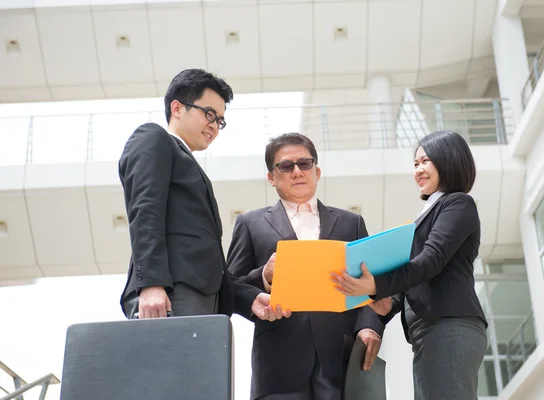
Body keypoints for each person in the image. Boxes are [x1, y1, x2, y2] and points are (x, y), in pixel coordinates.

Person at [118, 68, 289, 322]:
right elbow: (145, 210)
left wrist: (249, 297)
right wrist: (151, 283)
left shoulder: (190, 164)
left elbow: (207, 256)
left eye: (220, 120)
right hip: (169, 292)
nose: (214, 126)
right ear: (177, 108)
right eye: (209, 114)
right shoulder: (154, 138)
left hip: (206, 300)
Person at [227, 133, 385, 400]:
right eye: (286, 166)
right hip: (278, 364)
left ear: (317, 171)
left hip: (341, 359)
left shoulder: (351, 223)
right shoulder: (250, 224)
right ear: (271, 177)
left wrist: (370, 327)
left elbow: (370, 284)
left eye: (305, 163)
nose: (297, 172)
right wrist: (264, 276)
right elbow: (232, 287)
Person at [331, 130, 488, 400]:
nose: (418, 170)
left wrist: (377, 285)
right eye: (415, 164)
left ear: (448, 159)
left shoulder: (458, 203)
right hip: (429, 330)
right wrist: (388, 304)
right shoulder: (428, 213)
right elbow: (419, 276)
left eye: (425, 161)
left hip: (450, 326)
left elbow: (431, 261)